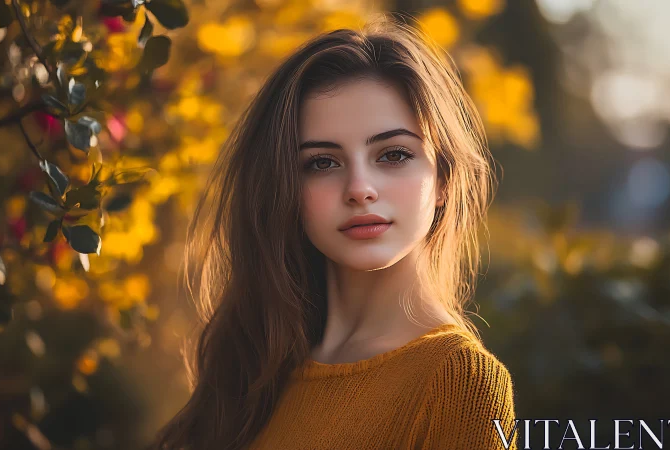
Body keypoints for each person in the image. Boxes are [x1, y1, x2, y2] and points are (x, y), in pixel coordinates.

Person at [149, 13, 518, 450]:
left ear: (443, 180)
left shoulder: (460, 381)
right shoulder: (257, 371)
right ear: (285, 188)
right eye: (322, 163)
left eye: (394, 154)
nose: (360, 189)